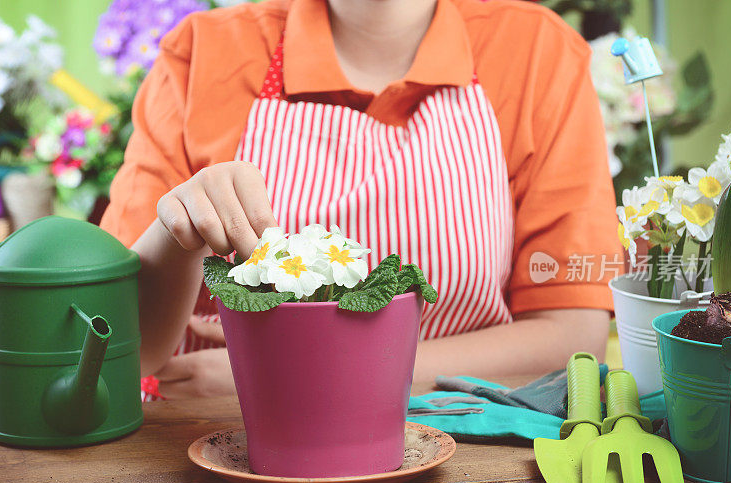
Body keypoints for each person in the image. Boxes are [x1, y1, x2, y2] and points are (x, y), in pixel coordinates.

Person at [100, 0, 623, 400]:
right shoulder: (201, 54)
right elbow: (114, 339)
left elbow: (571, 337)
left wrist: (295, 374)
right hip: (218, 437)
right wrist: (178, 230)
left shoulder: (534, 52)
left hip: (461, 439)